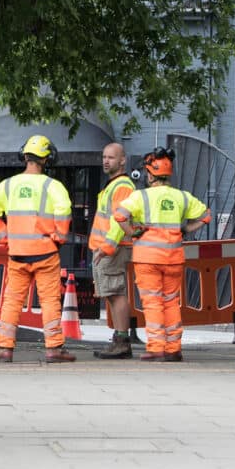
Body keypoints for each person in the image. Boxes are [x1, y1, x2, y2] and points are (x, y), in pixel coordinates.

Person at [110, 148, 210, 362]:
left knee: (153, 302)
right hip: (173, 257)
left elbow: (119, 216)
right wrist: (186, 229)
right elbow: (206, 216)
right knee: (171, 301)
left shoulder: (140, 197)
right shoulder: (182, 197)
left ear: (150, 174)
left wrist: (133, 232)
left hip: (147, 258)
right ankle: (173, 348)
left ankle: (156, 347)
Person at [0, 135, 74, 363]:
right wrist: (59, 238)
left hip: (18, 253)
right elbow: (64, 211)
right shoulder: (53, 186)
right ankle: (54, 349)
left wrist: (5, 239)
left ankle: (5, 348)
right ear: (47, 159)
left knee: (12, 300)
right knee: (50, 301)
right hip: (46, 252)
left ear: (24, 156)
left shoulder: (8, 185)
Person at [88, 142, 137, 359]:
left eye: (111, 157)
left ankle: (122, 341)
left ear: (123, 161)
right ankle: (119, 340)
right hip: (106, 246)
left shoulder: (122, 186)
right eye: (104, 157)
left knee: (116, 293)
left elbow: (119, 220)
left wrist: (107, 247)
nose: (106, 161)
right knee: (111, 294)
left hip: (112, 248)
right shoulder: (114, 185)